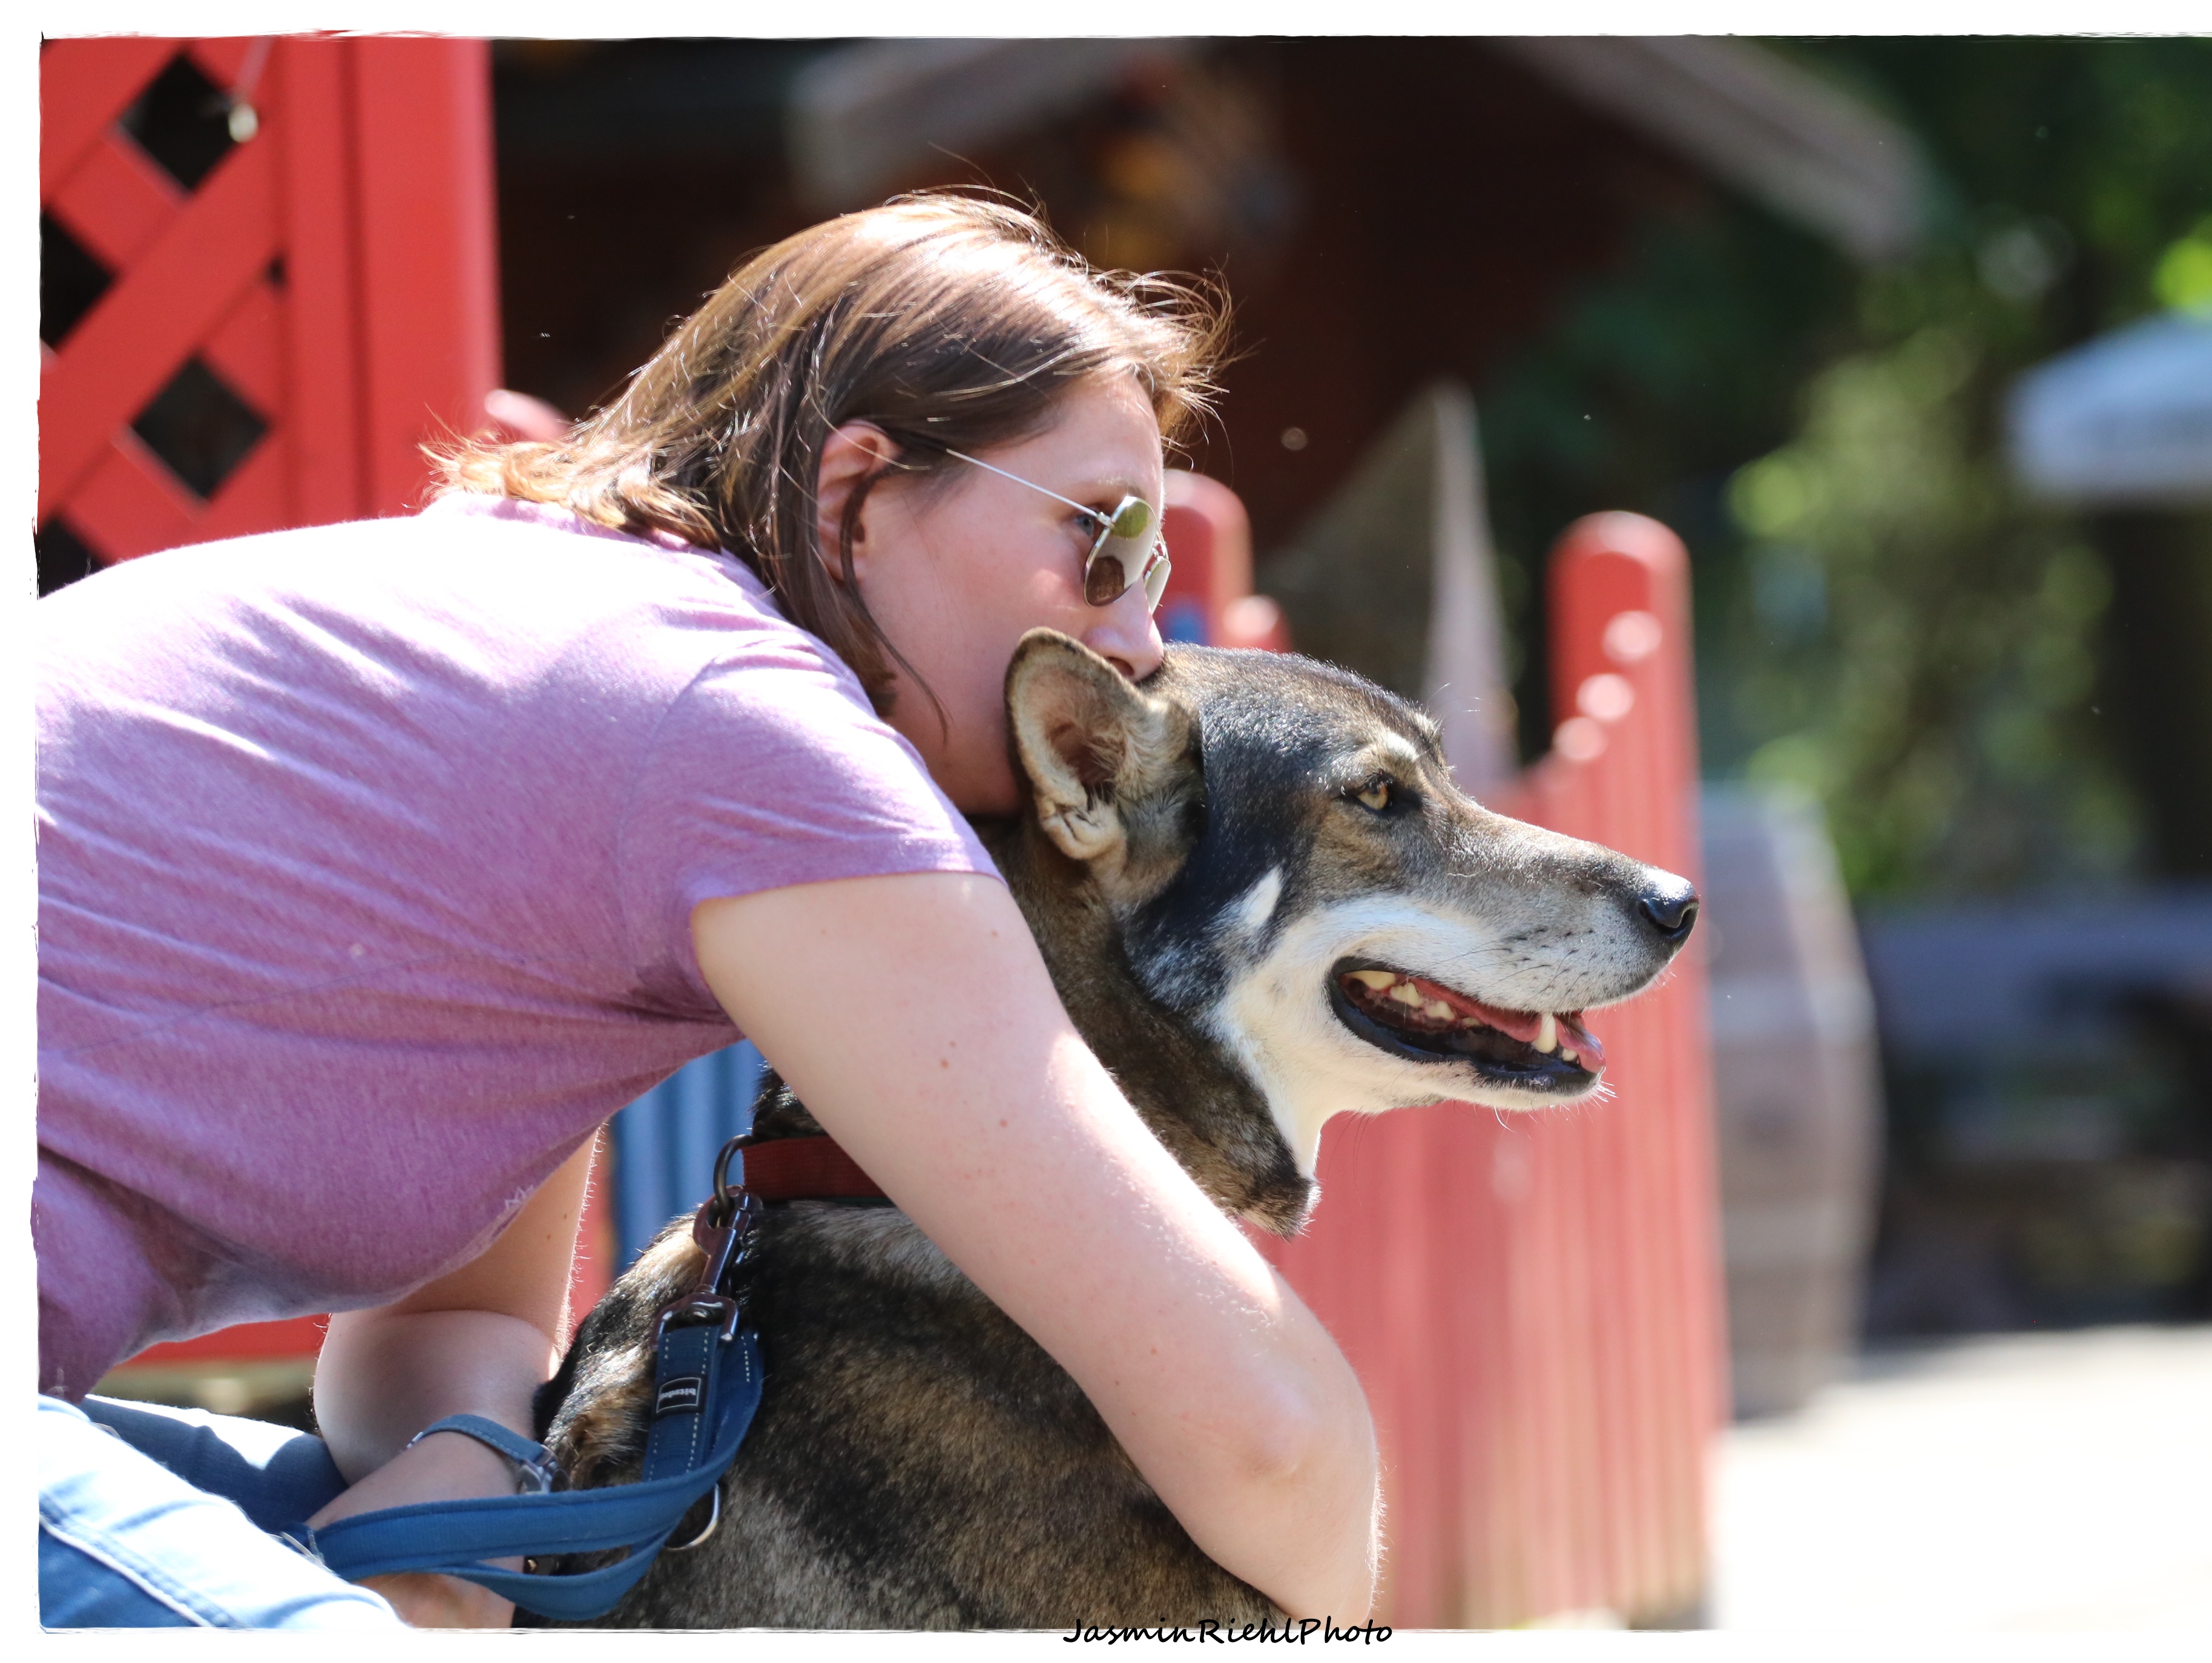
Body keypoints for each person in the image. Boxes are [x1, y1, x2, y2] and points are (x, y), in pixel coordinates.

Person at [35, 194, 1381, 1630]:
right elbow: (1266, 1436)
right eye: (1102, 542)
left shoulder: (572, 647)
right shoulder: (738, 735)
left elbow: (453, 1325)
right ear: (858, 498)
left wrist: (470, 1474)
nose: (1134, 635)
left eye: (1154, 571)